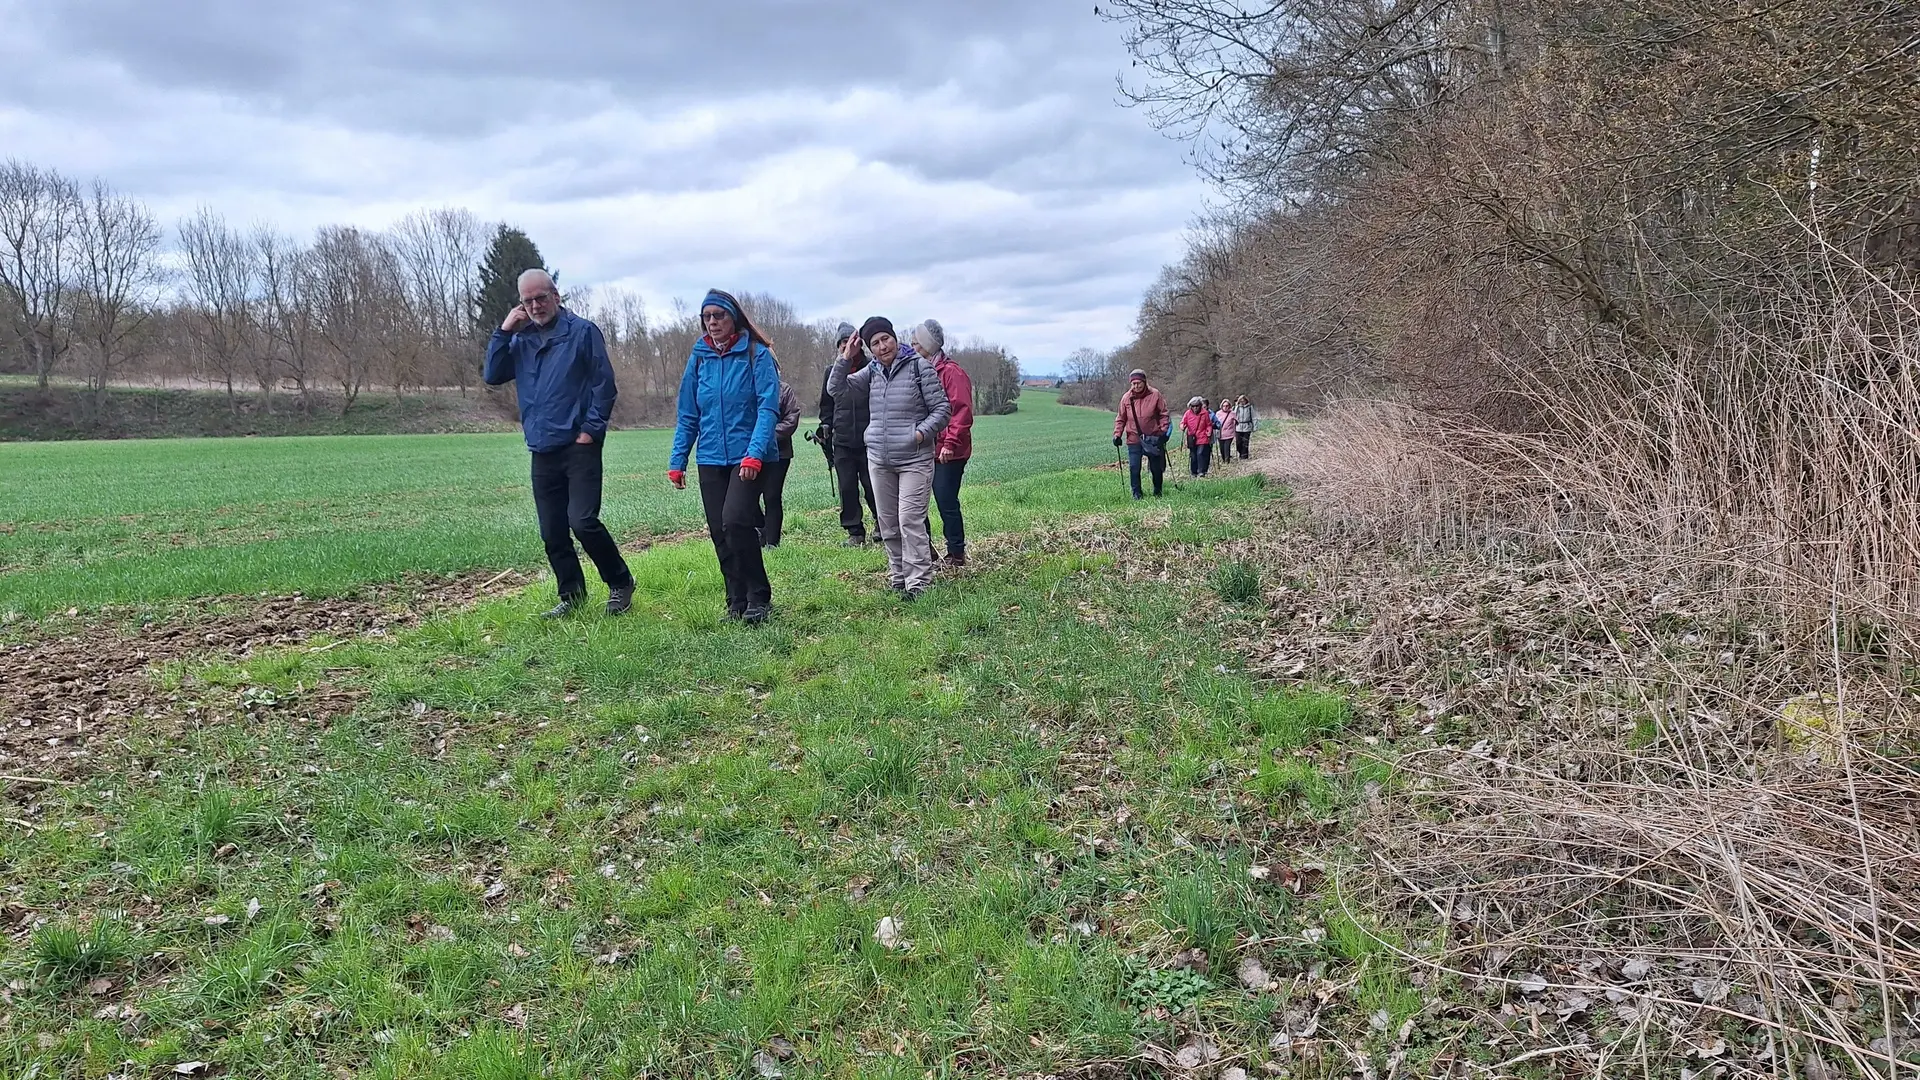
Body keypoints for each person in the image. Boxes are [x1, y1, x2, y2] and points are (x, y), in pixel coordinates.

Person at [483, 268, 635, 619]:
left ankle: (620, 582)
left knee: (582, 521)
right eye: (528, 301)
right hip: (542, 447)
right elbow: (492, 375)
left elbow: (604, 386)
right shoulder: (520, 341)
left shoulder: (582, 333)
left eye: (541, 297)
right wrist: (504, 330)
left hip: (578, 446)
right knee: (552, 531)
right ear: (520, 304)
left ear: (556, 296)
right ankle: (572, 596)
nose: (536, 305)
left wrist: (590, 431)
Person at [667, 289, 782, 624]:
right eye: (707, 317)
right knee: (720, 530)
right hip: (711, 457)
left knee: (736, 521)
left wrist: (754, 454)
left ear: (733, 318)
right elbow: (688, 413)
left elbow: (767, 408)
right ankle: (736, 600)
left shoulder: (756, 355)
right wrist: (678, 460)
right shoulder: (699, 357)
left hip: (750, 456)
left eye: (719, 315)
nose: (713, 322)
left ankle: (759, 597)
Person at [828, 316, 950, 598]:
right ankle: (899, 576)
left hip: (914, 460)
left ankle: (919, 582)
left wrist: (918, 434)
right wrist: (846, 357)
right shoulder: (871, 372)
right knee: (888, 523)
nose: (882, 347)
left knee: (909, 520)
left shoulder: (919, 367)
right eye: (875, 343)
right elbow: (837, 390)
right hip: (880, 460)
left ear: (895, 337)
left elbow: (942, 409)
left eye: (886, 339)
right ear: (869, 348)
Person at [911, 319, 974, 567]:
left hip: (950, 451)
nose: (913, 347)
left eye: (917, 342)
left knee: (946, 500)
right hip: (926, 446)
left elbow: (961, 411)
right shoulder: (919, 370)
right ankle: (925, 551)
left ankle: (956, 553)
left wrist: (950, 442)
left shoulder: (951, 373)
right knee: (916, 501)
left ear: (928, 344)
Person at [818, 322, 881, 546]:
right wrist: (825, 425)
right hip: (842, 439)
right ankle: (855, 532)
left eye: (849, 341)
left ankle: (881, 524)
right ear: (839, 346)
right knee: (847, 488)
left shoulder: (871, 366)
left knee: (872, 485)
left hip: (868, 439)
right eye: (842, 342)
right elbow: (826, 404)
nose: (846, 345)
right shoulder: (831, 371)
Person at [1112, 368, 1170, 499]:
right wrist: (1117, 435)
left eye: (1138, 383)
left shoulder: (1155, 395)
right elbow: (1121, 418)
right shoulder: (1126, 398)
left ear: (1144, 382)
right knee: (1134, 467)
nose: (1136, 386)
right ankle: (1137, 494)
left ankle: (1158, 491)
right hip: (1134, 438)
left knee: (1156, 468)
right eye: (1133, 383)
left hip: (1153, 437)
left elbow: (1164, 414)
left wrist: (1163, 431)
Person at [760, 378, 802, 547]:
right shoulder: (748, 387)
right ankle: (760, 534)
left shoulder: (784, 390)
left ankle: (772, 541)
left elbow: (791, 420)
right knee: (748, 497)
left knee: (771, 496)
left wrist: (765, 435)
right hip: (751, 453)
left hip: (780, 453)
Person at [1182, 396, 1214, 477]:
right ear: (1190, 406)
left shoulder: (1205, 413)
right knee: (1193, 455)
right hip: (1191, 437)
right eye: (1193, 406)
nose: (1195, 408)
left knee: (1200, 453)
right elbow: (1183, 422)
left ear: (1200, 405)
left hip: (1202, 436)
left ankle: (1201, 471)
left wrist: (1209, 432)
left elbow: (1208, 425)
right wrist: (1182, 426)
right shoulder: (1187, 413)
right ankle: (1193, 472)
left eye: (1197, 406)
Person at [1218, 398, 1239, 463]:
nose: (1225, 407)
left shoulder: (1232, 413)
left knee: (1227, 447)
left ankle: (1227, 461)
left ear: (1229, 406)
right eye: (1224, 406)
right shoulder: (1218, 413)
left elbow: (1237, 421)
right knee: (1222, 448)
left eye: (1227, 406)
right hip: (1220, 434)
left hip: (1229, 434)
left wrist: (1235, 423)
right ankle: (1224, 459)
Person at [1234, 394, 1255, 460]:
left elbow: (1253, 417)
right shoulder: (1237, 407)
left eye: (1243, 401)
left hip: (1247, 426)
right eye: (1241, 401)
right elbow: (1234, 415)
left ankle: (1244, 456)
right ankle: (1240, 453)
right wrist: (1236, 406)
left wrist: (1254, 427)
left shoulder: (1250, 407)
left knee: (1245, 443)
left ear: (1246, 401)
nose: (1242, 402)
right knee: (1238, 443)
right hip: (1238, 427)